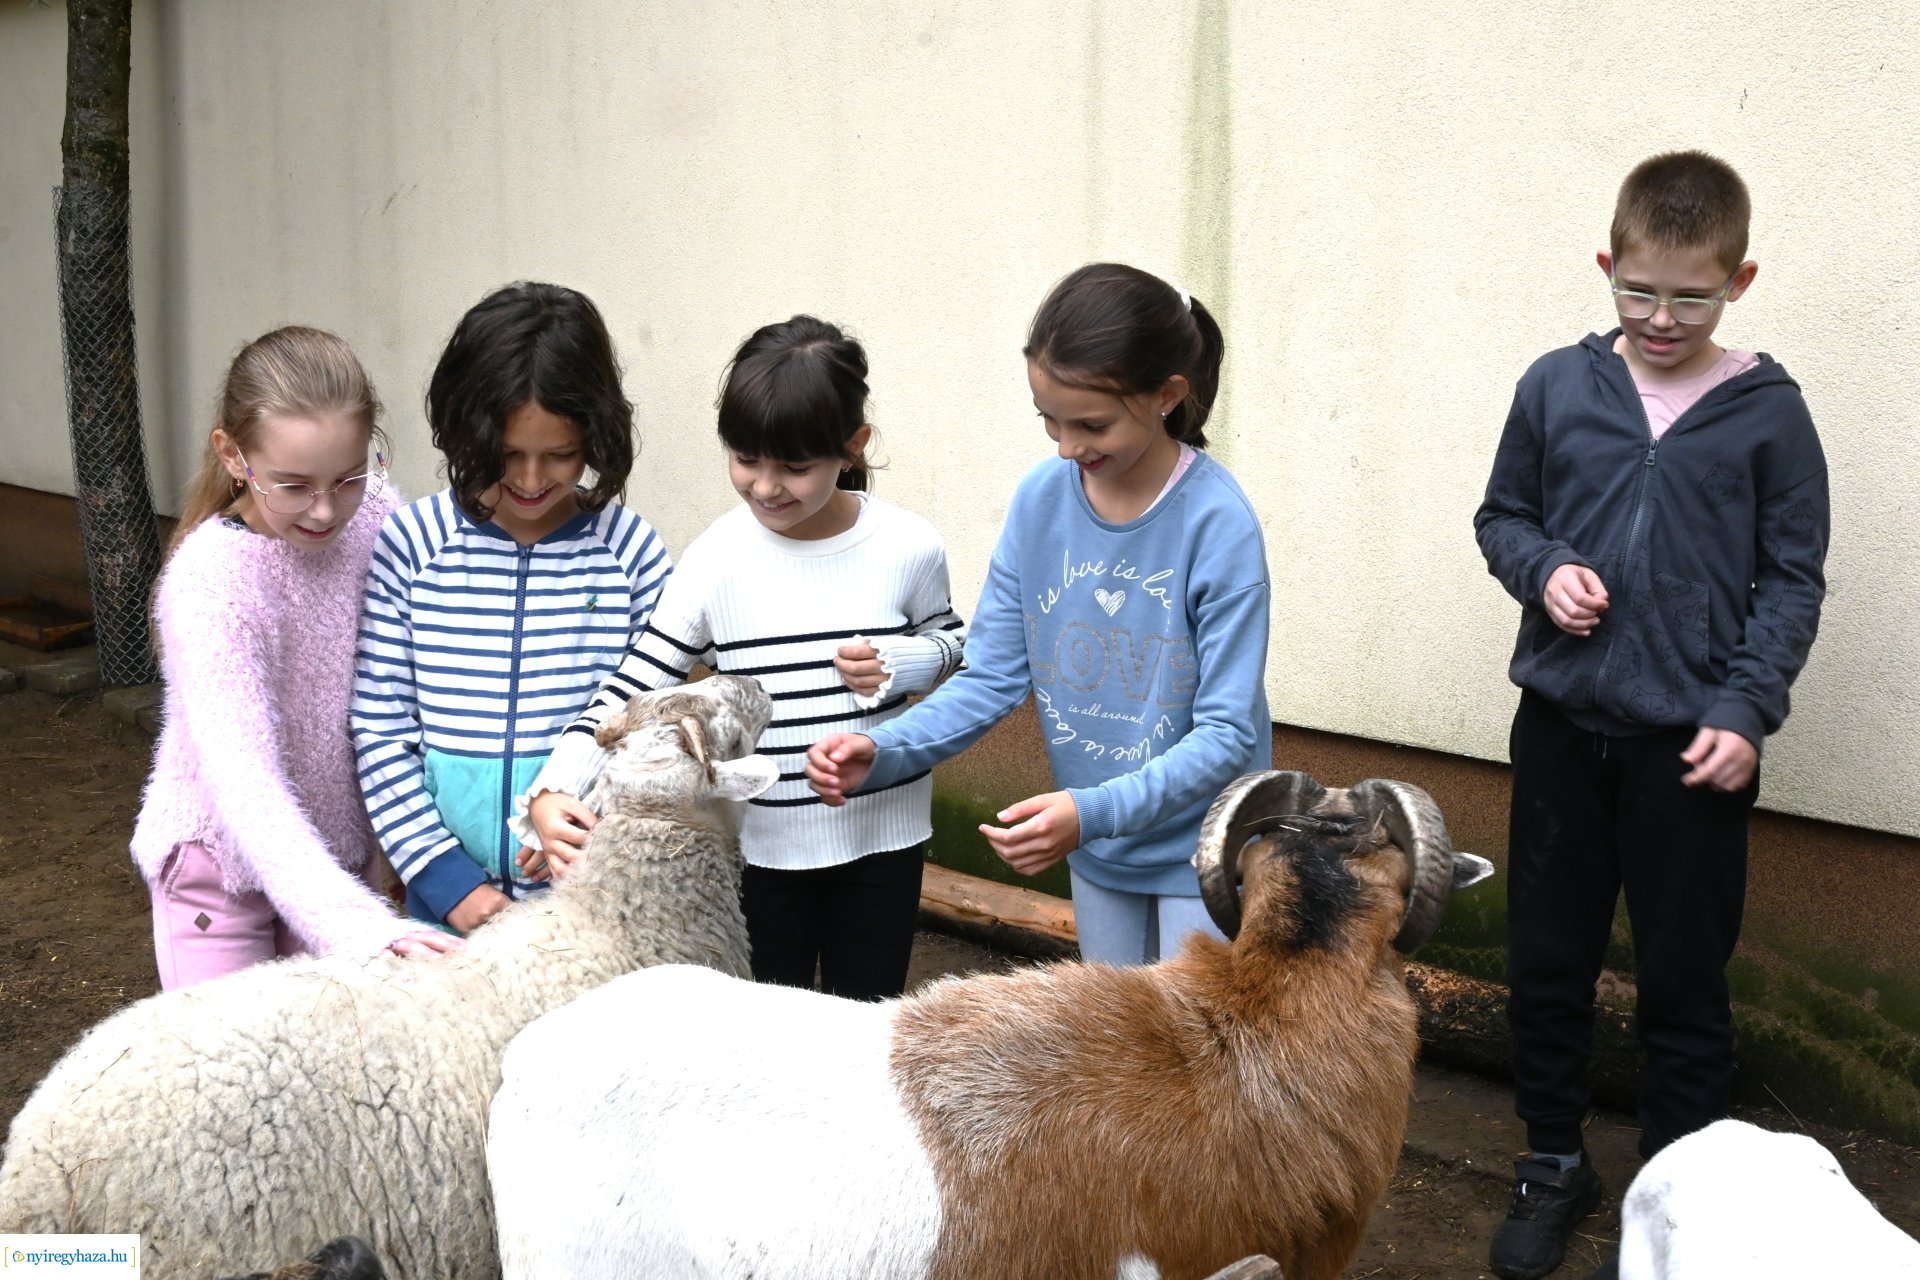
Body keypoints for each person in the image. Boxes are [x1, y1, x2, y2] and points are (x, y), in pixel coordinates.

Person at [1474, 151, 1829, 1280]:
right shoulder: (1554, 386)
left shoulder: (1770, 416)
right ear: (1606, 266)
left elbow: (1793, 578)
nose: (1661, 317)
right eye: (1639, 291)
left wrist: (1745, 705)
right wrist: (1545, 569)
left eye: (1691, 295)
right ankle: (1550, 1161)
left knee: (1685, 977)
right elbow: (1502, 515)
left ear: (1741, 280)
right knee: (1548, 961)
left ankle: (1679, 1193)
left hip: (1693, 749)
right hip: (1562, 733)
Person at [806, 263, 1272, 967]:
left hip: (1204, 849)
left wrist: (1088, 813)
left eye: (1092, 423)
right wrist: (889, 749)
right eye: (1048, 420)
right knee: (1113, 1054)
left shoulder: (1218, 522)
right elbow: (991, 674)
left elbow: (1229, 734)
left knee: (1195, 1064)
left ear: (1167, 396)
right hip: (1098, 845)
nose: (1066, 447)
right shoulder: (1041, 501)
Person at [518, 315, 964, 1000]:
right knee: (765, 1029)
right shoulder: (716, 559)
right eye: (746, 459)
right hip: (761, 850)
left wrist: (901, 662)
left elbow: (953, 644)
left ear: (853, 447)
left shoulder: (908, 544)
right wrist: (552, 790)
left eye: (795, 466)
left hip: (885, 838)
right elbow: (637, 683)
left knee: (871, 1029)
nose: (765, 486)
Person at [133, 326, 455, 989]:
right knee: (232, 1074)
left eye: (348, 478)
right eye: (293, 484)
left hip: (338, 868)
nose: (324, 509)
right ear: (233, 456)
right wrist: (361, 928)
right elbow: (247, 786)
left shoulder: (376, 522)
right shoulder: (212, 582)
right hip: (221, 875)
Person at [352, 282, 671, 934]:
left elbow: (651, 731)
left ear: (596, 435)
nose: (530, 481)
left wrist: (592, 830)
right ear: (462, 428)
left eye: (558, 456)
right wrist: (443, 878)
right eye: (505, 457)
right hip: (443, 910)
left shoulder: (632, 555)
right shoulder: (411, 546)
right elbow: (382, 730)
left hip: (588, 911)